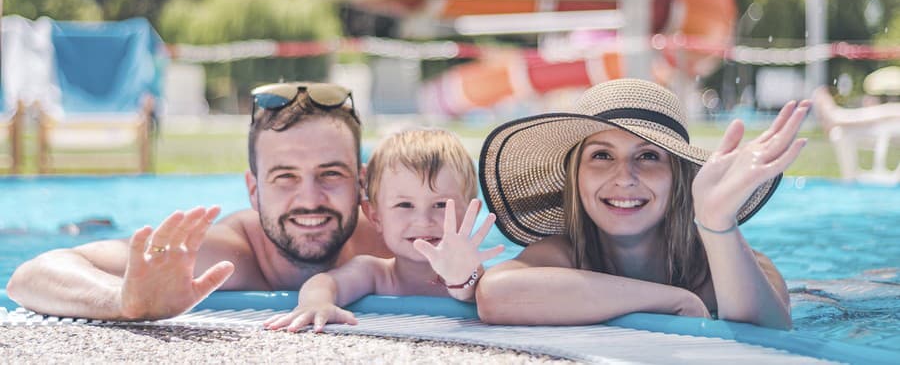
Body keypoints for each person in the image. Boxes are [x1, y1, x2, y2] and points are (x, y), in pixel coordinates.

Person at [6, 82, 390, 320]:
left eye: (331, 174)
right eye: (285, 176)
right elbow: (31, 276)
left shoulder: (393, 238)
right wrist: (124, 300)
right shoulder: (223, 255)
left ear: (362, 183)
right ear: (253, 190)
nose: (309, 198)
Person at [475, 78, 809, 330]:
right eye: (602, 155)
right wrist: (672, 300)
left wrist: (717, 222)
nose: (625, 177)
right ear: (575, 176)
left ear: (679, 179)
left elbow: (772, 336)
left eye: (648, 156)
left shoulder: (726, 263)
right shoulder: (562, 255)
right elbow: (494, 295)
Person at [264, 128, 503, 333]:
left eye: (440, 204)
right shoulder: (376, 273)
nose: (423, 219)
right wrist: (317, 303)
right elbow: (326, 282)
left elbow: (468, 290)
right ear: (374, 216)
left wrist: (461, 278)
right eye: (404, 205)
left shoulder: (471, 270)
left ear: (470, 212)